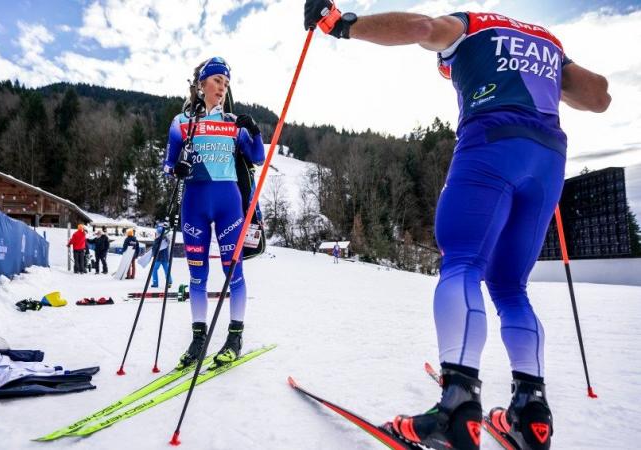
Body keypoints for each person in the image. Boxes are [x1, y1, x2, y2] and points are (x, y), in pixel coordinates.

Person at [304, 3, 611, 450]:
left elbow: (421, 26)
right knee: (510, 287)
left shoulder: (469, 24)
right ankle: (531, 412)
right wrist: (545, 80)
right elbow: (599, 97)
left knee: (462, 263)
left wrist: (340, 25)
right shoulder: (547, 40)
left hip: (491, 141)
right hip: (547, 157)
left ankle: (458, 404)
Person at [163, 56, 265, 369]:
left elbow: (258, 156)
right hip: (193, 205)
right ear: (202, 84)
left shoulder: (234, 122)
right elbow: (169, 165)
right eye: (217, 80)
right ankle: (198, 339)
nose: (222, 87)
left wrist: (255, 131)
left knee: (233, 273)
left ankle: (235, 337)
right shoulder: (182, 123)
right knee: (197, 276)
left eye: (226, 83)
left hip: (228, 205)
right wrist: (177, 167)